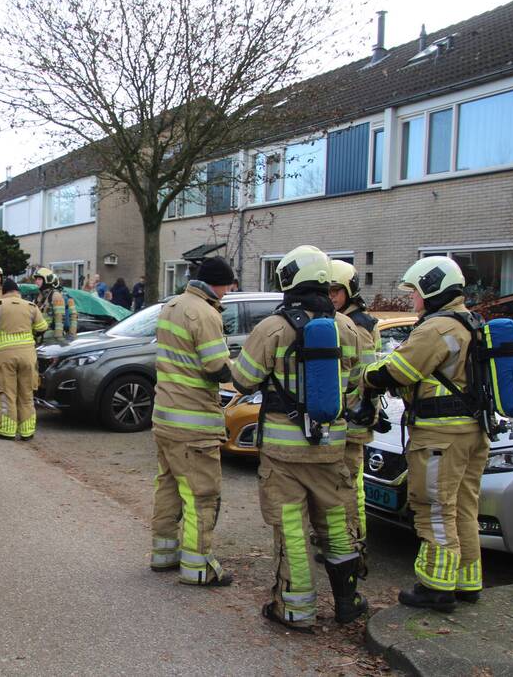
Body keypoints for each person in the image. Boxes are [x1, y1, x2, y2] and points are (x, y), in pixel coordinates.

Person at [230, 245, 367, 632]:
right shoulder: (348, 328)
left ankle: (296, 609)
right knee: (336, 527)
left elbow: (242, 380)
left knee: (292, 528)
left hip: (282, 453)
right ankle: (348, 603)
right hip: (331, 449)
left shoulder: (273, 328)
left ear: (288, 279)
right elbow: (357, 388)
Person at [363, 256, 491, 612]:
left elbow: (398, 370)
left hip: (440, 437)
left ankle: (436, 587)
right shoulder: (472, 322)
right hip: (472, 433)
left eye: (415, 292)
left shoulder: (436, 329)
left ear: (432, 289)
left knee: (433, 507)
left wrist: (367, 377)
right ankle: (467, 581)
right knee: (463, 507)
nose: (413, 300)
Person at [150, 256, 236, 587]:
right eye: (228, 286)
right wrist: (244, 371)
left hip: (165, 417)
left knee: (169, 486)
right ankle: (199, 568)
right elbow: (217, 367)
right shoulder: (205, 313)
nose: (228, 293)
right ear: (219, 283)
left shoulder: (171, 305)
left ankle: (164, 554)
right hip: (194, 424)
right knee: (201, 493)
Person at [328, 259, 382, 568]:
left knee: (349, 483)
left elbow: (360, 376)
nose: (332, 297)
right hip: (352, 414)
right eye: (328, 291)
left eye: (336, 291)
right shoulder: (350, 320)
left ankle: (353, 542)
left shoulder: (356, 325)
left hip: (352, 416)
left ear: (350, 291)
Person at [0, 279, 48, 440]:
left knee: (7, 393)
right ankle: (27, 431)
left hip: (5, 355)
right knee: (27, 394)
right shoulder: (31, 306)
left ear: (4, 292)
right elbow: (42, 328)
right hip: (28, 356)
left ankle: (7, 431)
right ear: (18, 292)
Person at [33, 267, 78, 341]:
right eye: (36, 279)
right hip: (39, 336)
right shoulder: (39, 296)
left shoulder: (55, 295)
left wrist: (59, 337)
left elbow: (59, 317)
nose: (36, 282)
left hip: (51, 337)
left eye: (39, 279)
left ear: (47, 280)